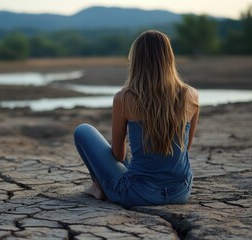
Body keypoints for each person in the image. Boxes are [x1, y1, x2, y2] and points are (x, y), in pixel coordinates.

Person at [74, 30, 199, 208]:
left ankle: (99, 186)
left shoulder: (125, 98)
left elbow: (119, 155)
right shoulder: (191, 95)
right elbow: (185, 147)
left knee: (83, 130)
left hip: (138, 194)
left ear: (136, 60)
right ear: (169, 58)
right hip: (180, 192)